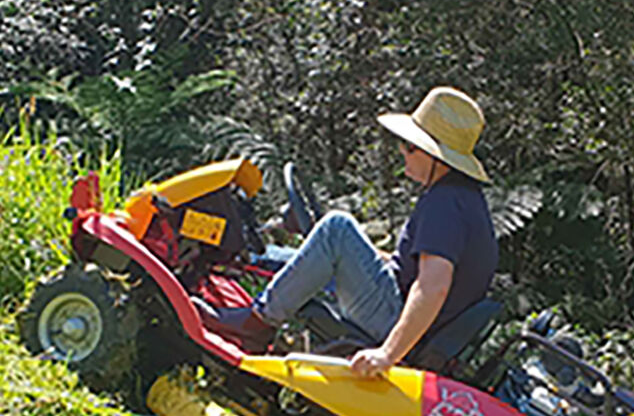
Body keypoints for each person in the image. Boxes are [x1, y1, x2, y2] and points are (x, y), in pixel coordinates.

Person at [193, 86, 498, 378]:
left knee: (337, 227)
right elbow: (416, 267)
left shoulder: (444, 203)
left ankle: (256, 323)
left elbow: (433, 287)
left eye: (410, 147)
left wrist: (387, 354)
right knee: (282, 256)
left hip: (395, 321)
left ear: (435, 156)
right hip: (399, 302)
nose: (402, 152)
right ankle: (250, 305)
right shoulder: (463, 199)